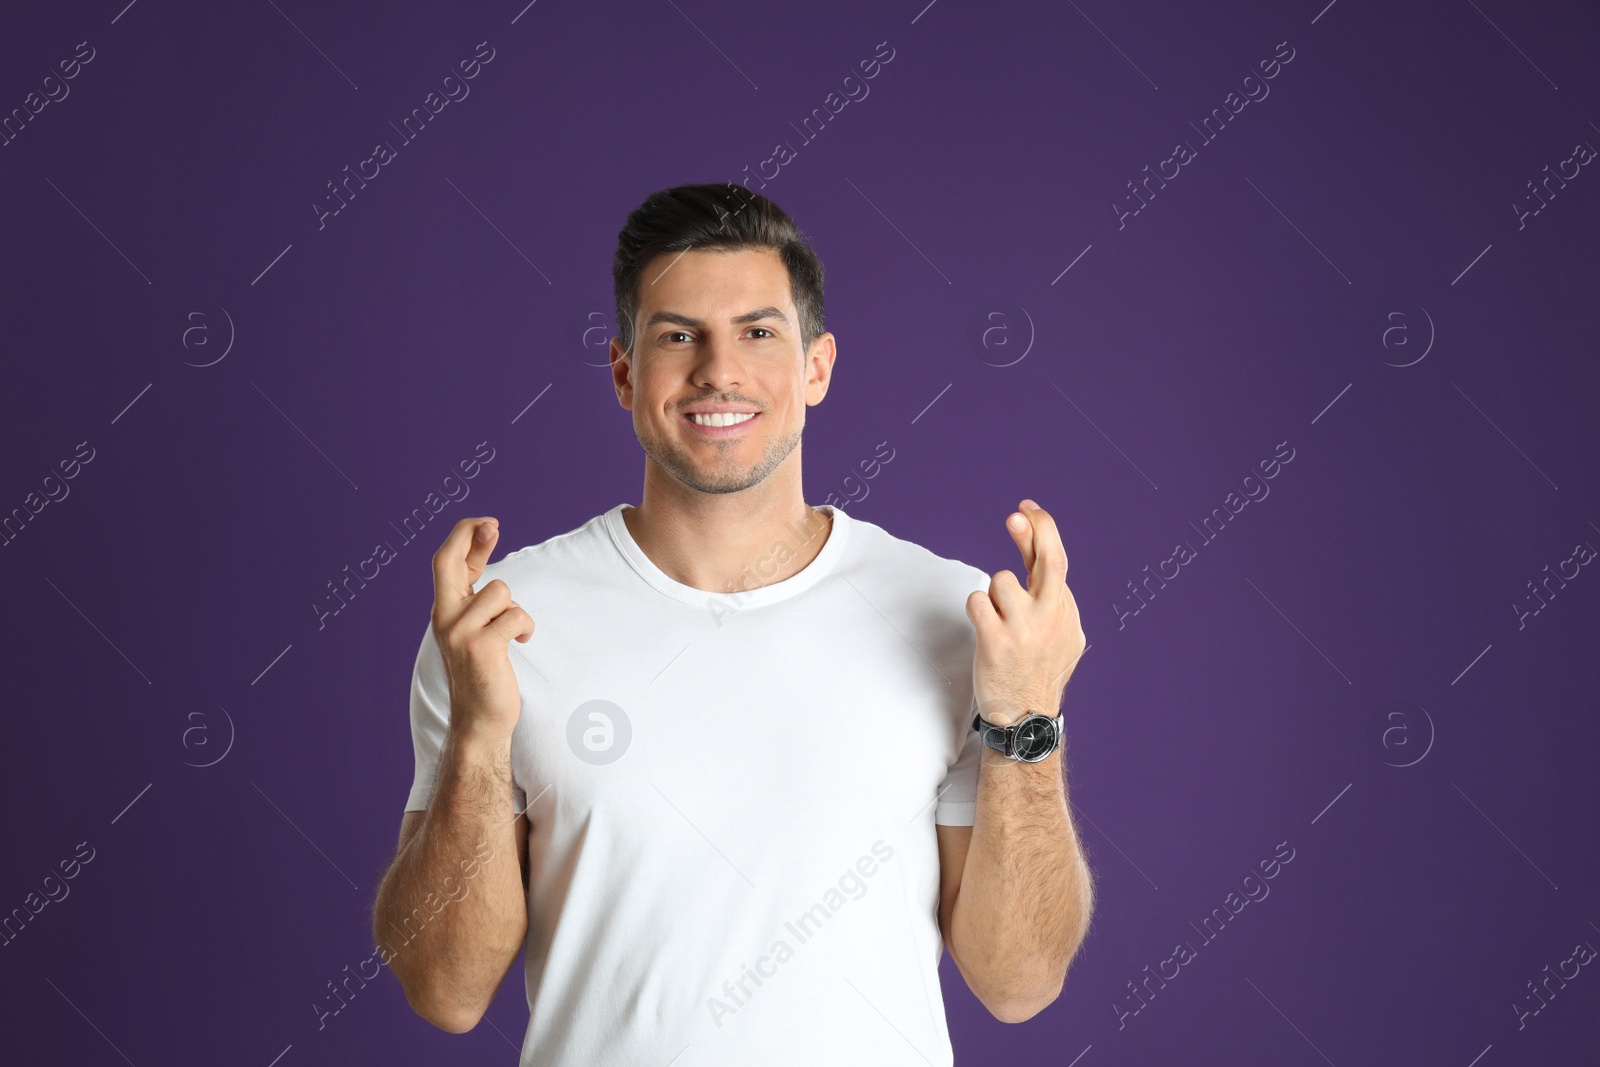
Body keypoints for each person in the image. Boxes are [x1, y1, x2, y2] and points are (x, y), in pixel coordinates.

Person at [370, 183, 1093, 1065]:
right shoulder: (503, 623)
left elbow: (1018, 983)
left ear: (817, 367)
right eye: (679, 335)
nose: (720, 370)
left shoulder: (953, 615)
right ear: (625, 373)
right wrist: (481, 736)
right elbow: (444, 991)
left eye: (758, 332)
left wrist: (1028, 718)